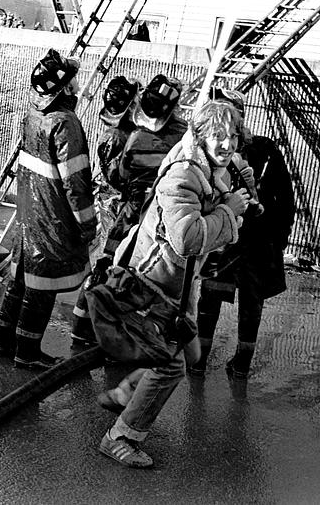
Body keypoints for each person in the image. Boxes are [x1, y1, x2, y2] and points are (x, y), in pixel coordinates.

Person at [97, 101, 250, 468]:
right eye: (217, 136)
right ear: (199, 136)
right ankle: (121, 436)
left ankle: (127, 391)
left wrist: (233, 196)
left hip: (179, 281)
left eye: (231, 136)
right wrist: (230, 212)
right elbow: (187, 238)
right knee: (171, 364)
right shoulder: (183, 174)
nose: (226, 144)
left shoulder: (210, 166)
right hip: (156, 281)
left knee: (192, 354)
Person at [0, 48, 97, 370]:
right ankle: (28, 352)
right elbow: (75, 182)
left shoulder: (32, 117)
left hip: (30, 216)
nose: (78, 84)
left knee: (20, 281)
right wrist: (87, 223)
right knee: (43, 286)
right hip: (53, 218)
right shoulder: (65, 123)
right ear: (64, 88)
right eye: (73, 79)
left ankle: (4, 342)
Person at [70, 74, 188, 347]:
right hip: (164, 218)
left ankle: (85, 330)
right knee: (150, 277)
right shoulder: (183, 139)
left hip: (130, 211)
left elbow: (119, 176)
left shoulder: (134, 138)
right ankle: (131, 336)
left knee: (110, 266)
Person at [187, 88, 296, 379]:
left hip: (226, 241)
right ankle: (240, 366)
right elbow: (285, 200)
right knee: (249, 304)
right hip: (252, 243)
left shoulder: (212, 153)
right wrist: (279, 240)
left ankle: (199, 362)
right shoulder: (265, 149)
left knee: (210, 303)